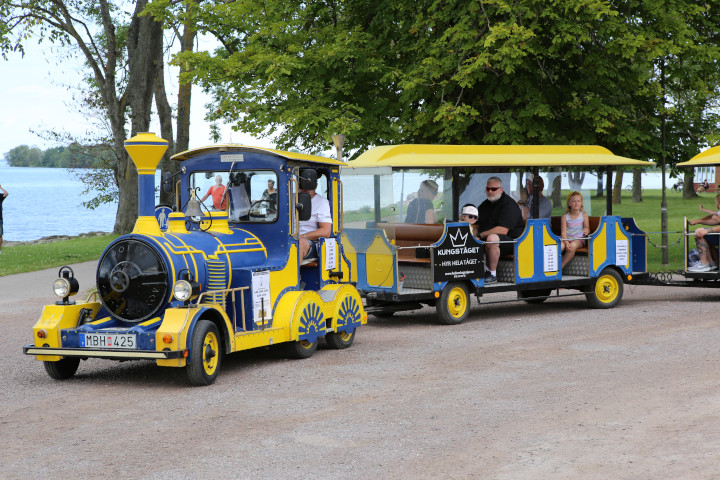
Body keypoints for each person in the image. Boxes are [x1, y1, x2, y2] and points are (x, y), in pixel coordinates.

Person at [476, 177, 525, 284]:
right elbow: (476, 224)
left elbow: (503, 230)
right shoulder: (484, 205)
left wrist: (480, 235)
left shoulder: (509, 204)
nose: (490, 191)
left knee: (492, 238)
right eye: (488, 189)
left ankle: (492, 274)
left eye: (493, 189)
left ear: (501, 189)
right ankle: (474, 271)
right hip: (489, 240)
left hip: (514, 242)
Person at [299, 177, 332, 263]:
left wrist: (301, 237)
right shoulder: (290, 199)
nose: (306, 188)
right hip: (287, 239)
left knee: (299, 244)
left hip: (310, 243)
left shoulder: (322, 202)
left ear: (316, 186)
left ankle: (291, 276)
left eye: (311, 185)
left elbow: (326, 231)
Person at [560, 191, 590, 269]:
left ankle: (561, 265)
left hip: (579, 239)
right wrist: (566, 243)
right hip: (566, 238)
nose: (576, 203)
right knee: (559, 246)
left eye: (578, 201)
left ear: (581, 203)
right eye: (573, 201)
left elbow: (587, 229)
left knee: (572, 246)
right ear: (569, 203)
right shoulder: (565, 217)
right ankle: (552, 265)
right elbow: (563, 232)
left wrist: (587, 231)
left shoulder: (584, 216)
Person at [0, 184, 7, 254]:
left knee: (0, 236)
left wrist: (0, 187)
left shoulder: (0, 197)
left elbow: (6, 193)